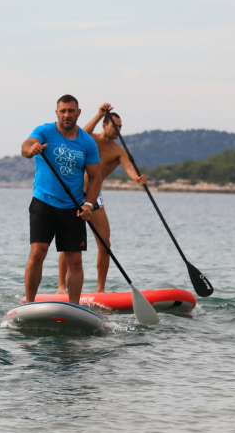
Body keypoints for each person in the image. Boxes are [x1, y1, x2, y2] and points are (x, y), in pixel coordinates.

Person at [57, 102, 148, 294]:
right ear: (104, 126)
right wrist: (99, 114)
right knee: (69, 241)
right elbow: (79, 132)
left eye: (121, 127)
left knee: (105, 243)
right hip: (73, 195)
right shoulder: (90, 140)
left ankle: (100, 290)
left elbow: (129, 167)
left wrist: (136, 178)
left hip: (94, 197)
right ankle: (61, 287)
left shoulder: (118, 150)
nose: (118, 130)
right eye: (115, 126)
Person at [21, 95, 101, 305]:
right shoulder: (45, 131)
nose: (67, 115)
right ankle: (29, 303)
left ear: (78, 112)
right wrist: (32, 149)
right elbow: (26, 145)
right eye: (63, 111)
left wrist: (89, 204)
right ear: (57, 112)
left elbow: (95, 177)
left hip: (72, 208)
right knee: (38, 252)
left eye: (71, 111)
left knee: (74, 260)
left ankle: (74, 307)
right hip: (43, 203)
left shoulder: (87, 142)